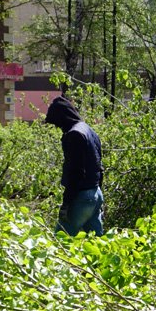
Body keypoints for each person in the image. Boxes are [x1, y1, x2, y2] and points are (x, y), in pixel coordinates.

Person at [44, 94, 104, 235]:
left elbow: (75, 173)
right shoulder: (88, 130)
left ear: (62, 118)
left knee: (61, 239)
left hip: (82, 196)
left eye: (56, 122)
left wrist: (66, 204)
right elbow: (99, 166)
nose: (57, 126)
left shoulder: (74, 135)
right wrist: (99, 196)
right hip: (95, 193)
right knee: (98, 242)